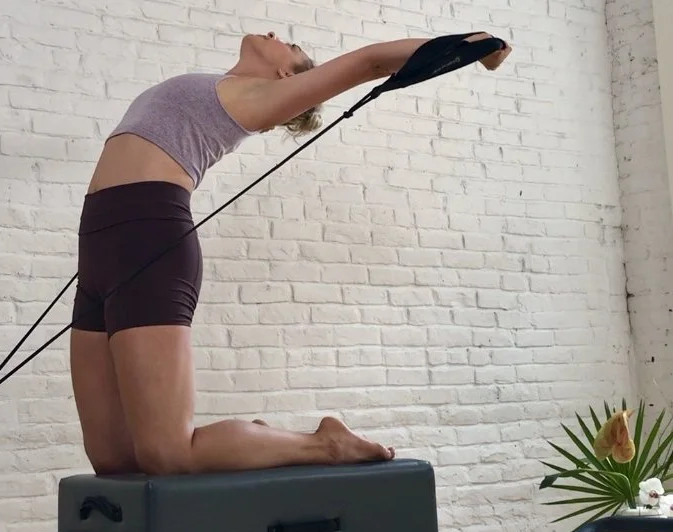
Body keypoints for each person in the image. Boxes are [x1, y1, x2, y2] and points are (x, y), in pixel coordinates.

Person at [70, 30, 512, 477]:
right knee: (112, 456)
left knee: (167, 454)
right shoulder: (218, 84)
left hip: (149, 238)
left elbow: (372, 62)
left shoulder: (262, 97)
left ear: (286, 74)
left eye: (293, 47)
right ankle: (259, 440)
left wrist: (477, 46)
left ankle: (325, 445)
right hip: (100, 245)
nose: (281, 36)